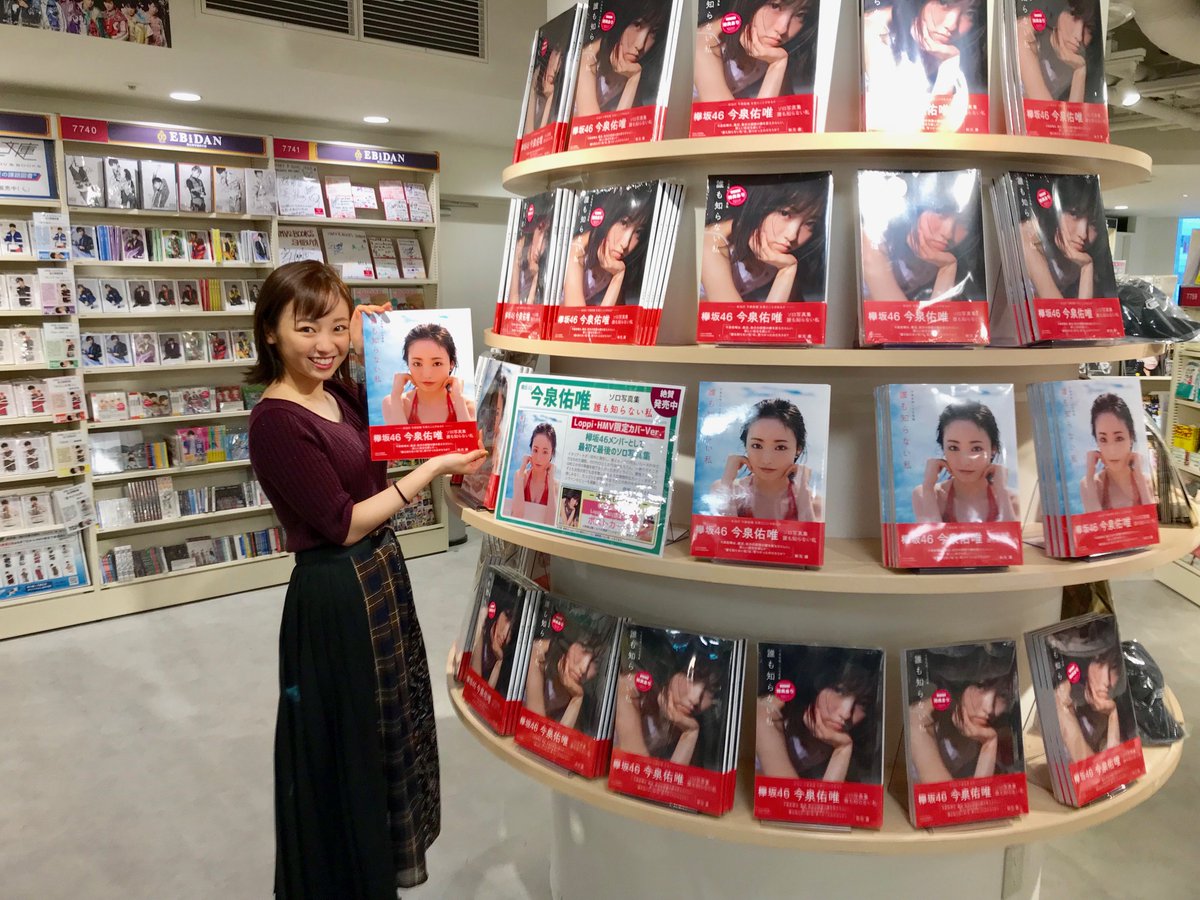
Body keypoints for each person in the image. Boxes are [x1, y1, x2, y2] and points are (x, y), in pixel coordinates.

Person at [245, 260, 486, 895]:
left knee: (388, 729)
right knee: (349, 743)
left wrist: (367, 342)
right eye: (306, 329)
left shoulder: (337, 393)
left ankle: (375, 865)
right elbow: (342, 522)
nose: (323, 344)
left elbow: (377, 439)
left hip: (378, 575)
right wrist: (429, 471)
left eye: (334, 327)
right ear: (270, 331)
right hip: (336, 591)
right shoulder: (276, 422)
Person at [755, 647, 882, 783]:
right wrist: (842, 750)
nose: (846, 713)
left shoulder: (850, 734)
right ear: (817, 683)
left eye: (862, 703)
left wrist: (844, 749)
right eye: (839, 691)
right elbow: (790, 794)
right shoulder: (769, 713)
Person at [862, 0, 985, 132]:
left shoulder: (961, 52)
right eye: (944, 2)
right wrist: (949, 65)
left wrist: (950, 62)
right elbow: (904, 130)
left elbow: (951, 129)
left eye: (970, 13)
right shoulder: (872, 31)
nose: (952, 24)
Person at [860, 171, 983, 302]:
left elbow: (935, 315)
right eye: (940, 210)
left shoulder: (936, 259)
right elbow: (900, 314)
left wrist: (948, 267)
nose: (948, 233)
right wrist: (947, 269)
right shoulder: (874, 232)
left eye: (964, 222)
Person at [700, 177, 828, 303]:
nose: (792, 235)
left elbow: (796, 307)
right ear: (760, 205)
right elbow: (734, 317)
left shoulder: (779, 246)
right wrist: (786, 271)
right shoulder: (712, 243)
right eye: (785, 213)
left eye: (810, 223)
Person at [906, 644, 1019, 783]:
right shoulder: (917, 720)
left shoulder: (972, 730)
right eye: (981, 686)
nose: (989, 708)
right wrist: (989, 744)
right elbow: (950, 795)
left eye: (1003, 695)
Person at [613, 637, 725, 767]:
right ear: (675, 669)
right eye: (693, 677)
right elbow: (636, 770)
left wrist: (690, 734)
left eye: (710, 691)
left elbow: (671, 778)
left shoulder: (686, 722)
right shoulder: (633, 689)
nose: (695, 699)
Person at [709, 397, 822, 521]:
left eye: (780, 447)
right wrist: (726, 483)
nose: (766, 460)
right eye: (757, 445)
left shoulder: (814, 502)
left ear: (798, 449)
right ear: (746, 445)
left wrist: (803, 494)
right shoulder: (725, 489)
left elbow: (809, 534)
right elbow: (723, 532)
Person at [911, 400, 1018, 523]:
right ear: (943, 448)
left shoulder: (1011, 499)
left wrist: (1002, 491)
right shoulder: (926, 493)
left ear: (993, 450)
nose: (964, 461)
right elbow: (931, 534)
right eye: (953, 448)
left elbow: (1010, 534)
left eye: (976, 448)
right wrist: (928, 488)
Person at [693, 0, 818, 102]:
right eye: (775, 6)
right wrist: (776, 65)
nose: (782, 28)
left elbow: (787, 111)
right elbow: (727, 122)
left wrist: (778, 65)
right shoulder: (706, 42)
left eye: (800, 14)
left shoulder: (771, 45)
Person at [1020, 175, 1111, 301]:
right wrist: (1086, 267)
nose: (1083, 234)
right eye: (1074, 214)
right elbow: (1059, 309)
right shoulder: (1030, 237)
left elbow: (1088, 309)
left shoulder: (1087, 251)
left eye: (1093, 223)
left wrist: (1088, 266)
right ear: (1055, 210)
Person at [574, 0, 672, 116]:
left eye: (653, 32)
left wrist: (634, 80)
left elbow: (634, 118)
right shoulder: (588, 59)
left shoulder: (630, 66)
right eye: (637, 25)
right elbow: (595, 126)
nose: (640, 45)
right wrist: (633, 80)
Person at [562, 185, 653, 307]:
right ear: (609, 216)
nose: (625, 243)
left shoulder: (615, 260)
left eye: (638, 232)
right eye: (624, 223)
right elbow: (577, 318)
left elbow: (617, 311)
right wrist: (617, 278)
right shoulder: (576, 252)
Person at [1050, 635, 1134, 762]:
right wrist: (1063, 709)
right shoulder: (1062, 695)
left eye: (1114, 666)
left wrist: (1113, 713)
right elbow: (1091, 769)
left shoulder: (1104, 702)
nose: (1107, 682)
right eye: (1100, 662)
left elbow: (1114, 764)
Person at [380, 323, 474, 425]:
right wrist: (395, 396)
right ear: (408, 364)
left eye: (437, 363)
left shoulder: (467, 406)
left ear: (451, 364)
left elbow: (468, 435)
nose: (427, 375)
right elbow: (399, 435)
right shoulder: (393, 402)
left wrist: (459, 398)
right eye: (417, 364)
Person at [524, 617, 608, 729]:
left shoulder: (584, 698)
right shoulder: (539, 654)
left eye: (596, 662)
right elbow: (535, 729)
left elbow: (557, 738)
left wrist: (577, 699)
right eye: (584, 649)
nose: (584, 668)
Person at [1016, 0, 1103, 104]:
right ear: (1057, 9)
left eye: (1089, 27)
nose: (1079, 36)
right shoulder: (1026, 32)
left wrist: (1080, 71)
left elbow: (1072, 114)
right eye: (1074, 15)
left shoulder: (1075, 60)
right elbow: (1046, 110)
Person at [1080, 392, 1152, 513]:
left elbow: (1150, 520)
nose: (1112, 450)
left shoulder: (1145, 480)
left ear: (1131, 437)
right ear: (1096, 441)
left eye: (1119, 438)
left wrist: (1140, 478)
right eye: (1103, 439)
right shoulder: (1090, 484)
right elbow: (1096, 522)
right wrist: (1089, 477)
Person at [505, 200, 552, 305]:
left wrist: (537, 278)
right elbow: (513, 307)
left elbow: (532, 306)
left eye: (546, 236)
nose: (540, 245)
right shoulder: (520, 251)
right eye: (539, 229)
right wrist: (515, 264)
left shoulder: (552, 267)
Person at [510, 422, 557, 525]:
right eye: (535, 450)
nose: (538, 458)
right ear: (530, 449)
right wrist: (521, 473)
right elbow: (516, 516)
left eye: (545, 452)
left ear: (552, 453)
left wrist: (551, 481)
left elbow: (550, 524)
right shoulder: (521, 476)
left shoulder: (555, 485)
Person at [523, 37, 565, 134]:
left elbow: (542, 136)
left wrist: (550, 98)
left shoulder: (563, 94)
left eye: (562, 57)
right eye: (556, 52)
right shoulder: (538, 75)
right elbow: (530, 133)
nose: (556, 63)